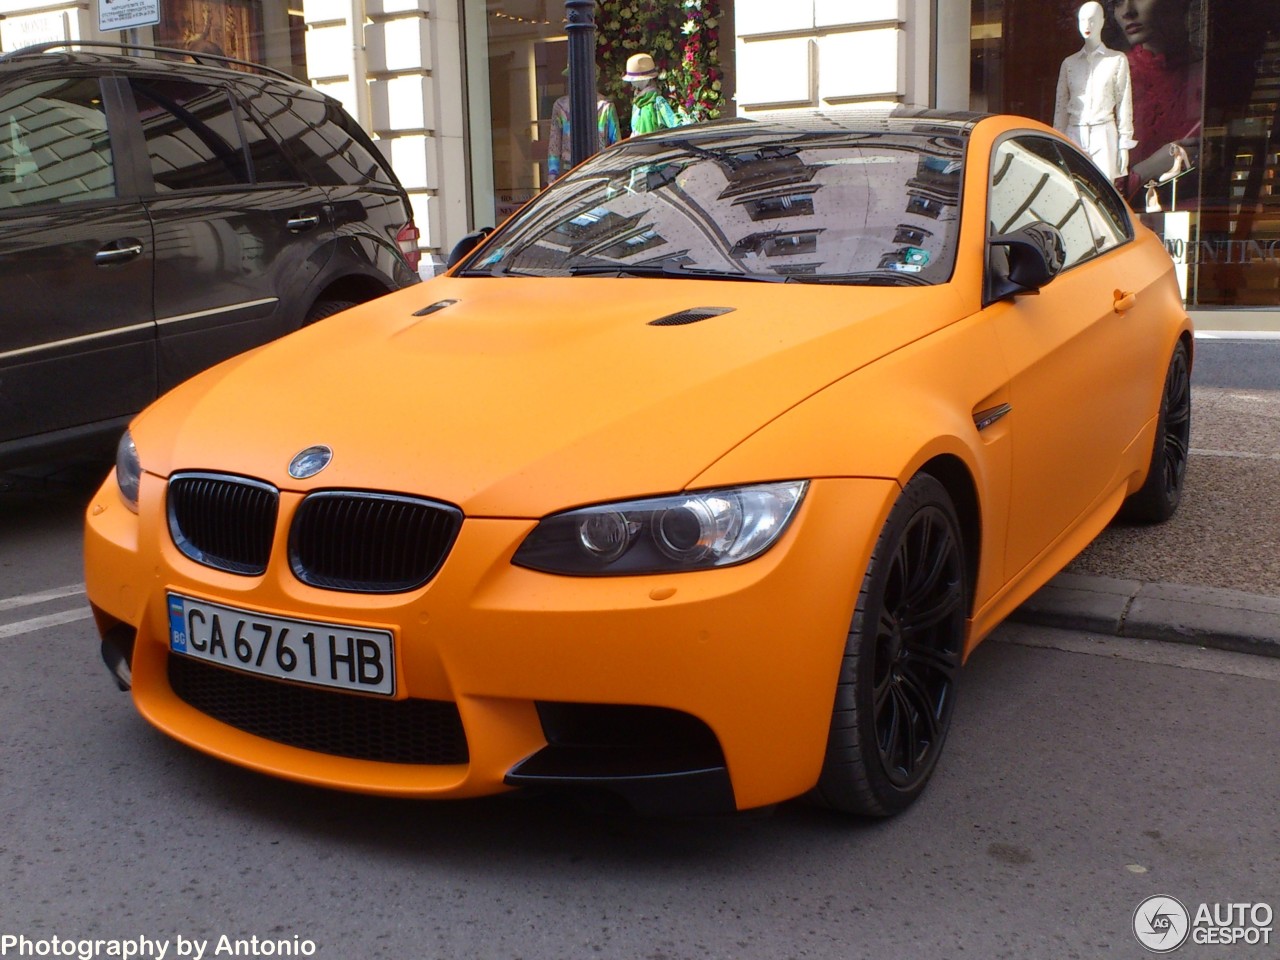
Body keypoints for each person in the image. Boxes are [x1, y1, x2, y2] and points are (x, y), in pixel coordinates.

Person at [1111, 0, 1202, 202]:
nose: (1127, 12)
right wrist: (1148, 169)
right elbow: (1095, 193)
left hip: (1199, 222)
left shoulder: (1207, 75)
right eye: (1117, 3)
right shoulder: (1113, 79)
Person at [1054, 1, 1136, 181]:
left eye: (1092, 20)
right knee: (1073, 187)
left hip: (1104, 132)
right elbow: (1061, 107)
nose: (1087, 25)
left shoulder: (1116, 60)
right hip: (1074, 132)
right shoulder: (1069, 63)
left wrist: (1124, 144)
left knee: (1104, 190)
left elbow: (1124, 103)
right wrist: (1057, 141)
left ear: (1102, 21)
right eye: (1082, 20)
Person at [546, 91, 620, 182]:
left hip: (598, 167)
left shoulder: (606, 105)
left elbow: (616, 143)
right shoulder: (560, 106)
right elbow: (554, 141)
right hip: (571, 168)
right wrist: (552, 173)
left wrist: (552, 173)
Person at [622, 52, 679, 136]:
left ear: (644, 80)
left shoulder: (658, 101)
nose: (632, 82)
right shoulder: (637, 103)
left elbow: (673, 125)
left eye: (634, 80)